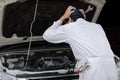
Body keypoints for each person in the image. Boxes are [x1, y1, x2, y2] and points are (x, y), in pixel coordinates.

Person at [42, 6, 118, 80]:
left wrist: (63, 17)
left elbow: (46, 35)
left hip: (94, 69)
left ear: (69, 19)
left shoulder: (69, 28)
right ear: (83, 17)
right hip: (111, 66)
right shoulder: (97, 26)